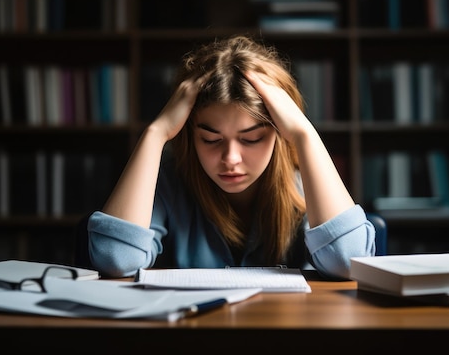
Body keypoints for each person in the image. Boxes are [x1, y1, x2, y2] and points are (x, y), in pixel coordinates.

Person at [87, 35, 375, 279]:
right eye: (211, 139)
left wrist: (304, 134)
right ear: (190, 134)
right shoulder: (167, 186)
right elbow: (117, 260)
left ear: (278, 133)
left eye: (251, 139)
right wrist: (156, 132)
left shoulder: (302, 188)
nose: (231, 158)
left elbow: (348, 262)